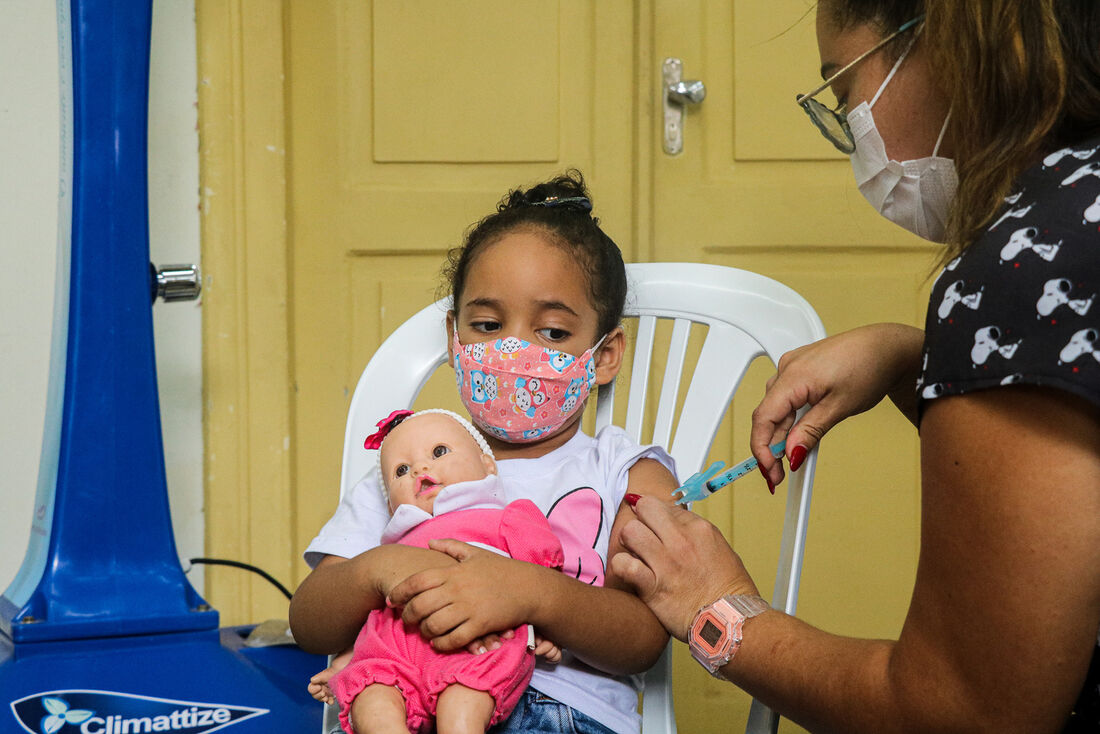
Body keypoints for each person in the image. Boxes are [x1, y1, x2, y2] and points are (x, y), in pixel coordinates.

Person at [612, 2, 1100, 732]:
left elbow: (964, 715)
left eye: (843, 91)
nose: (854, 134)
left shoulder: (1026, 273)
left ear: (944, 41)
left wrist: (716, 607)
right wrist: (916, 359)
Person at [289, 171, 680, 734]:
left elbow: (644, 638)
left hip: (561, 710)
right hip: (408, 705)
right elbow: (309, 624)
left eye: (551, 333)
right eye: (489, 325)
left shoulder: (623, 472)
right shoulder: (411, 469)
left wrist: (531, 593)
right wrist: (378, 569)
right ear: (455, 338)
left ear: (604, 355)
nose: (513, 348)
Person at [308, 408, 565, 734]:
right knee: (372, 705)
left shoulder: (506, 519)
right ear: (391, 506)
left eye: (439, 452)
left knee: (461, 709)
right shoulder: (389, 546)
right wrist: (348, 661)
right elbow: (373, 614)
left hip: (476, 646)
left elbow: (543, 579)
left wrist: (545, 631)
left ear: (488, 466)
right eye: (401, 471)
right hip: (395, 652)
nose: (420, 468)